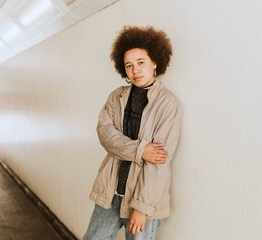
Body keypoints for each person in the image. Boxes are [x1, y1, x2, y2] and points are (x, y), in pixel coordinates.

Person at [83, 25, 182, 240]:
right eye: (128, 65)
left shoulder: (168, 105)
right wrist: (141, 150)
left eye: (140, 62)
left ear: (155, 62)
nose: (135, 70)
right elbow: (106, 135)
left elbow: (159, 160)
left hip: (142, 199)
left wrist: (142, 207)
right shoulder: (116, 97)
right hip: (110, 192)